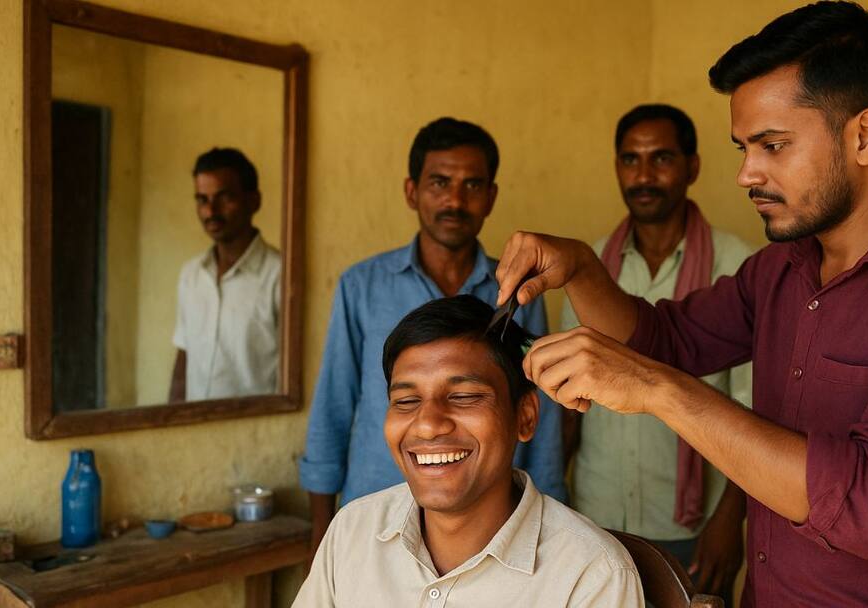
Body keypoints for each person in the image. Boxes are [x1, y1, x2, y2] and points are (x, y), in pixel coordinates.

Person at [495, 2, 868, 606]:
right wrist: (581, 267)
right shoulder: (780, 269)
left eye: (773, 145)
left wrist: (658, 389)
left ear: (864, 135)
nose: (746, 173)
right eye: (743, 147)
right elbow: (663, 339)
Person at [300, 118, 566, 559]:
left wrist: (551, 508)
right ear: (412, 191)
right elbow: (334, 403)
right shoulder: (362, 286)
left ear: (491, 197)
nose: (455, 201)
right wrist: (321, 535)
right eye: (439, 182)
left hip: (490, 530)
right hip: (375, 520)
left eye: (472, 185)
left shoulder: (518, 291)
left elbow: (538, 411)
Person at [293, 296, 643, 607]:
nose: (427, 425)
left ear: (525, 417)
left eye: (464, 397)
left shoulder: (591, 575)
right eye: (406, 401)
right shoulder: (352, 531)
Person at [561, 103, 752, 601]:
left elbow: (758, 412)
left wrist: (728, 522)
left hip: (694, 523)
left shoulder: (738, 266)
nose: (643, 175)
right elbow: (568, 405)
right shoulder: (590, 269)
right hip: (595, 515)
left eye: (661, 158)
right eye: (630, 159)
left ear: (692, 167)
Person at [169, 147, 280, 402]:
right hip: (193, 430)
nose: (211, 211)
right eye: (202, 200)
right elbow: (183, 360)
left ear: (254, 201)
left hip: (255, 433)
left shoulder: (280, 276)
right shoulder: (191, 274)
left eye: (224, 197)